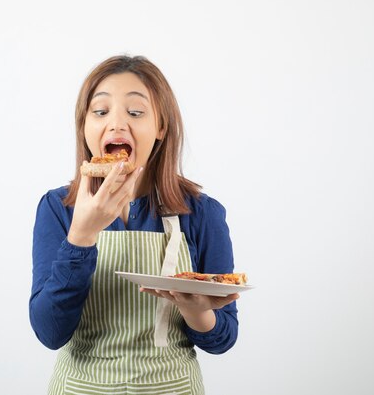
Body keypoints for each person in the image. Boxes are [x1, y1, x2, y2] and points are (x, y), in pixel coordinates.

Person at [30, 55, 240, 395]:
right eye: (100, 112)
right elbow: (49, 333)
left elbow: (223, 339)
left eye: (135, 112)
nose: (116, 124)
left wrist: (196, 310)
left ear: (160, 127)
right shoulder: (58, 208)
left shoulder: (202, 213)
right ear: (84, 127)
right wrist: (81, 236)